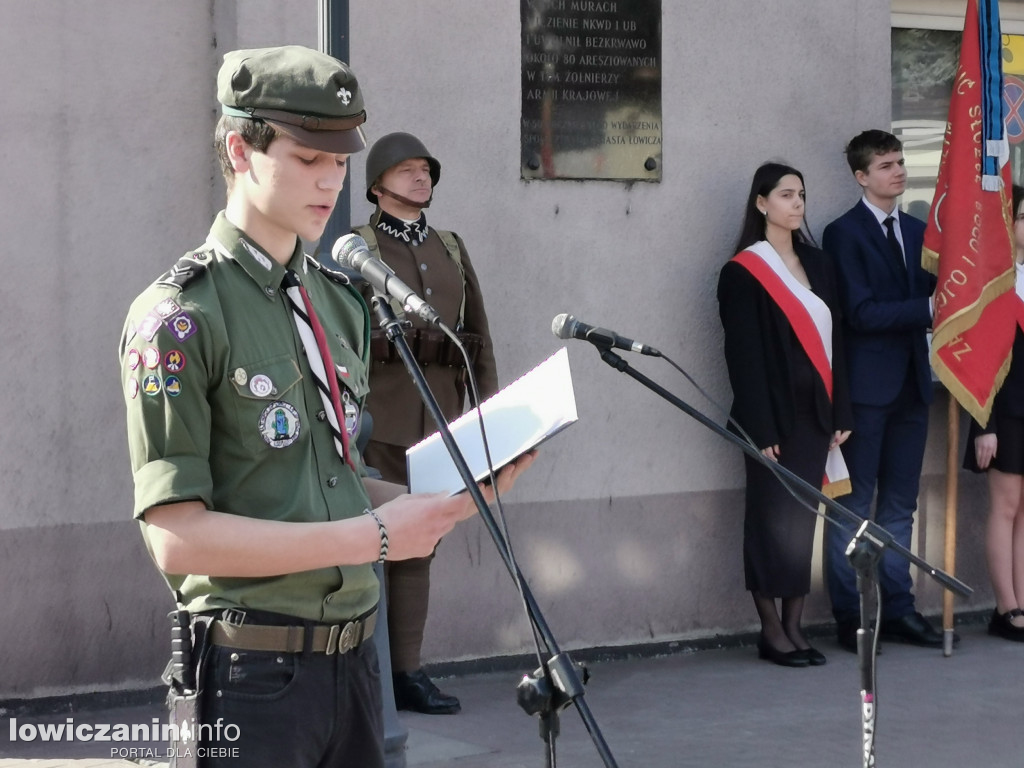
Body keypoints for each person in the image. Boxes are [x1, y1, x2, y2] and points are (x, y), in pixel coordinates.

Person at [117, 45, 532, 768]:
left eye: (339, 161)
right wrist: (375, 538)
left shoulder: (336, 301)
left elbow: (326, 481)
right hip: (252, 678)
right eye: (308, 157)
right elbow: (177, 538)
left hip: (352, 668)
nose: (330, 179)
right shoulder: (179, 316)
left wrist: (450, 500)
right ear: (240, 149)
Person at [353, 132, 499, 714]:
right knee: (372, 543)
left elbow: (479, 337)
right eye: (407, 170)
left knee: (421, 546)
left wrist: (489, 417)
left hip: (439, 417)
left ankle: (407, 673)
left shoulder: (451, 247)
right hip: (377, 418)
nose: (421, 178)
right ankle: (366, 673)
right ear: (377, 184)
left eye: (426, 170)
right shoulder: (357, 247)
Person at [718, 162, 853, 668]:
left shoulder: (821, 266)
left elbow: (839, 344)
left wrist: (842, 411)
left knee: (804, 522)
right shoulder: (743, 271)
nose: (797, 204)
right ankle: (770, 629)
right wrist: (760, 426)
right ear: (761, 203)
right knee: (769, 522)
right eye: (786, 195)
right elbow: (743, 357)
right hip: (771, 420)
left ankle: (796, 625)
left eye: (801, 195)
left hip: (817, 415)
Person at [822, 129, 941, 652]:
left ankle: (898, 608)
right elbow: (861, 313)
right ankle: (851, 614)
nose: (898, 171)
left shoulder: (918, 231)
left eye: (899, 162)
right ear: (861, 175)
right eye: (886, 165)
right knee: (851, 506)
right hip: (866, 392)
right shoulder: (842, 233)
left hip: (914, 386)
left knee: (900, 505)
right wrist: (928, 311)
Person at [963, 183, 1024, 642]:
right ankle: (1006, 608)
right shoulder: (993, 279)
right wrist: (985, 426)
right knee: (1004, 509)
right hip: (1006, 414)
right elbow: (981, 361)